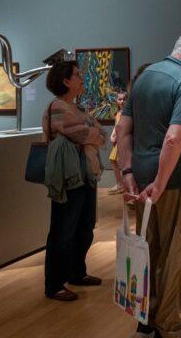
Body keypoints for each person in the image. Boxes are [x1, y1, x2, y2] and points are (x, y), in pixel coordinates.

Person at [115, 31, 181, 338]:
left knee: (151, 250)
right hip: (177, 181)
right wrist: (160, 182)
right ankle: (171, 327)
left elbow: (122, 129)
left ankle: (148, 320)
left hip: (142, 177)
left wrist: (127, 171)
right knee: (179, 252)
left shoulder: (144, 78)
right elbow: (174, 137)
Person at [42, 60, 106, 302]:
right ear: (66, 81)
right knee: (63, 229)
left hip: (85, 173)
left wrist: (92, 134)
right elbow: (86, 133)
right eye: (78, 75)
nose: (82, 78)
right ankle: (54, 284)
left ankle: (77, 272)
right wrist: (93, 134)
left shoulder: (77, 108)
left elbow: (98, 134)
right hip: (69, 176)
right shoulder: (58, 107)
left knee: (84, 227)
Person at [107, 90, 129, 195]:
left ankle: (124, 186)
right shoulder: (119, 113)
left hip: (123, 141)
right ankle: (120, 184)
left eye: (124, 99)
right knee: (113, 160)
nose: (122, 101)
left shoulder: (127, 113)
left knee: (122, 163)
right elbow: (117, 125)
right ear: (116, 100)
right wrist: (113, 134)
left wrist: (116, 135)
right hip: (118, 141)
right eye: (120, 99)